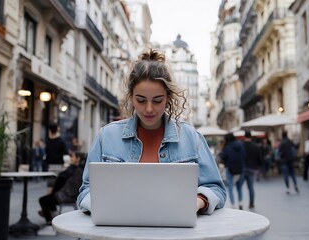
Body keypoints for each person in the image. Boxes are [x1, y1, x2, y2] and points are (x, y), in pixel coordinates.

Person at [77, 48, 226, 215]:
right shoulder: (106, 136)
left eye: (157, 100)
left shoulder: (192, 137)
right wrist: (104, 206)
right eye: (141, 100)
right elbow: (86, 190)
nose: (149, 109)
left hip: (174, 230)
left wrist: (197, 202)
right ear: (131, 97)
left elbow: (216, 189)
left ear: (168, 98)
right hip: (118, 229)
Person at [37, 151, 85, 236]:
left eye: (73, 156)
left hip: (66, 196)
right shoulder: (81, 169)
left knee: (43, 200)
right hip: (70, 195)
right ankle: (53, 215)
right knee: (49, 198)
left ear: (77, 159)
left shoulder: (73, 169)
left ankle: (50, 226)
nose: (71, 158)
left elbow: (61, 177)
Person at [219, 133, 245, 210]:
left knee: (230, 187)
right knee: (239, 187)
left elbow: (224, 157)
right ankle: (240, 202)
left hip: (230, 168)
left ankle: (233, 204)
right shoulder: (241, 145)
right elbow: (244, 155)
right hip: (240, 168)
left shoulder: (227, 147)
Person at [241, 130, 262, 209]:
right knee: (251, 187)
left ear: (244, 137)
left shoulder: (241, 145)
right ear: (251, 137)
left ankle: (240, 202)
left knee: (240, 186)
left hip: (242, 168)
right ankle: (251, 203)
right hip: (252, 168)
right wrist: (259, 167)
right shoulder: (256, 146)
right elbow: (259, 158)